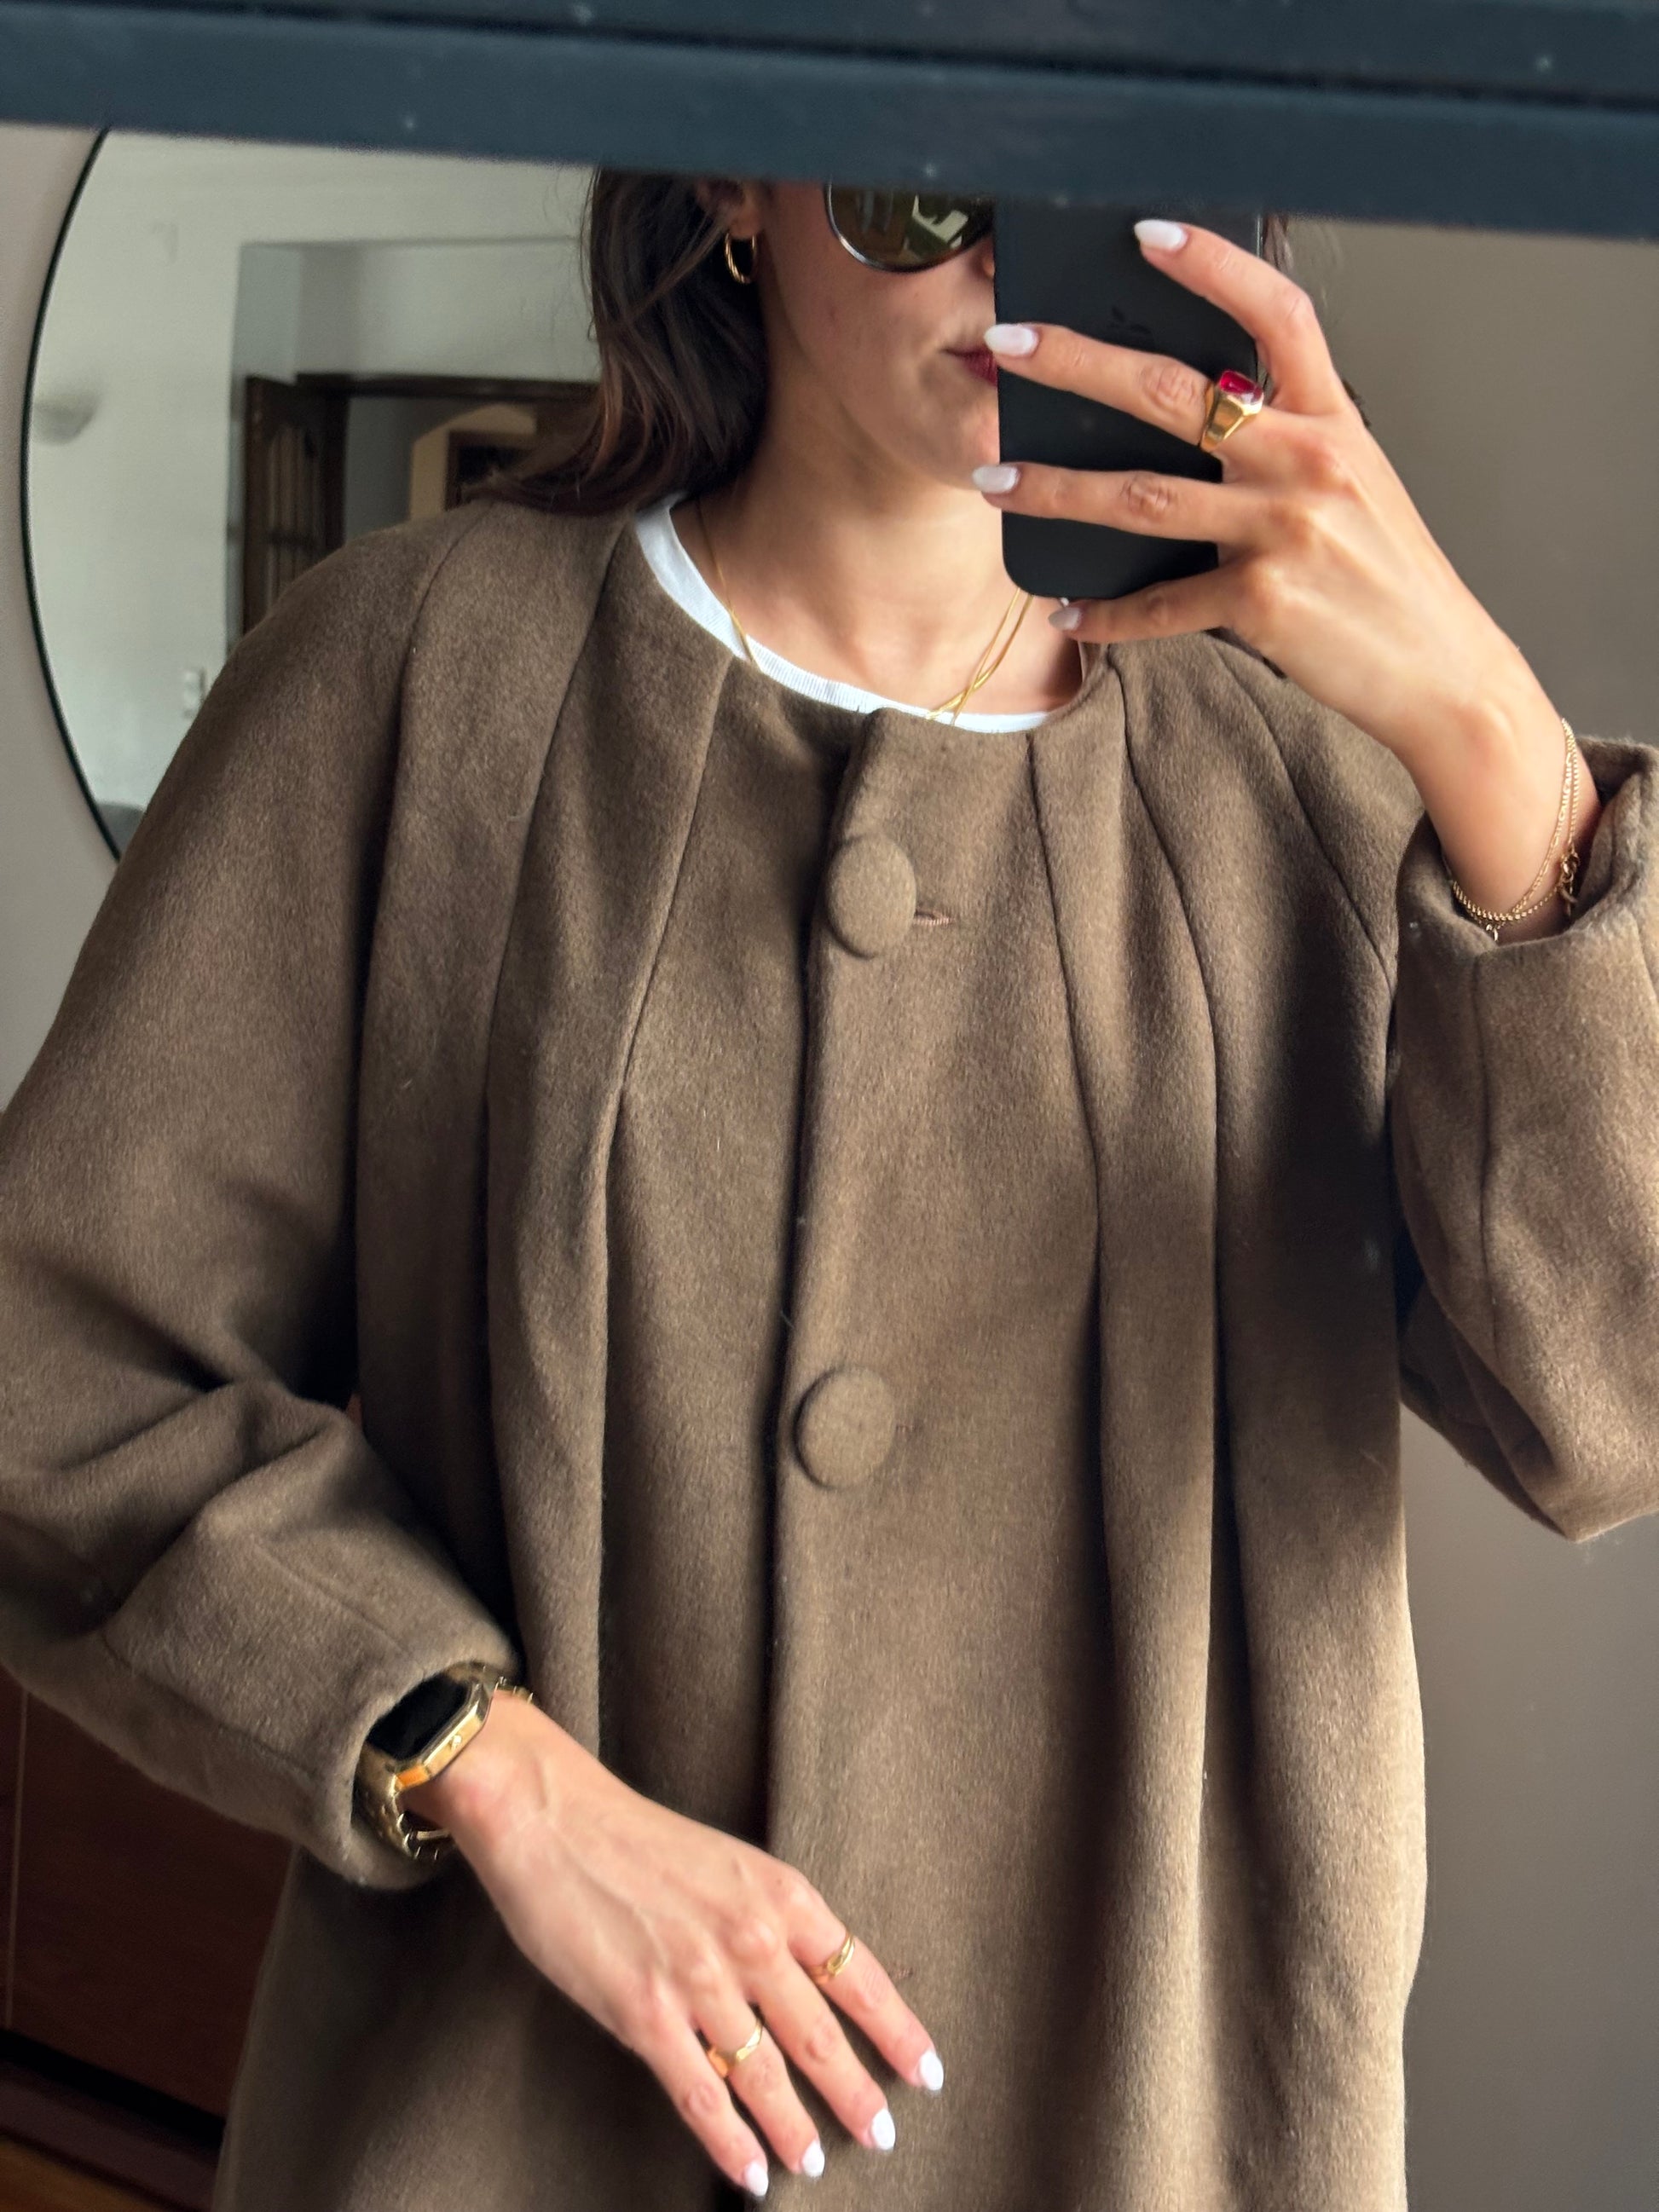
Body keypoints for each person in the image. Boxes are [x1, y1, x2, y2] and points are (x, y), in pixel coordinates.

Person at [0, 170, 1654, 2212]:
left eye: (1090, 188)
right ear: (737, 186)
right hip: (508, 2120)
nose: (1002, 263)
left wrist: (1489, 730)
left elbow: (1611, 1408)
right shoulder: (415, 682)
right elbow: (51, 1367)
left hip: (1147, 2128)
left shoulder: (1311, 786)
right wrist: (482, 1762)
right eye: (912, 189)